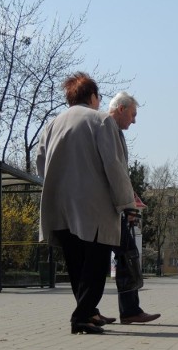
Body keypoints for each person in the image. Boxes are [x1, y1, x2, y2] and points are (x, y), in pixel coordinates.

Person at [37, 72, 136, 334]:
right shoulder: (101, 120)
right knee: (95, 264)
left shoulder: (53, 124)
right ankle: (81, 317)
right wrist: (127, 203)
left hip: (59, 205)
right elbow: (114, 166)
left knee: (76, 264)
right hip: (93, 207)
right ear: (92, 96)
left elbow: (40, 163)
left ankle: (89, 313)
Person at [106, 91, 160, 325]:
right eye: (133, 114)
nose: (134, 120)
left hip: (108, 207)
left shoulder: (112, 130)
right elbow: (115, 170)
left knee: (122, 255)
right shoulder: (107, 128)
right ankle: (129, 311)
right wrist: (128, 206)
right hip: (108, 208)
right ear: (121, 109)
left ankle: (96, 311)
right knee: (128, 255)